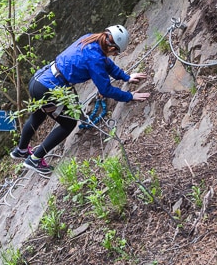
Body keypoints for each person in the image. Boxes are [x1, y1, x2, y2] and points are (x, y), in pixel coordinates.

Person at [10, 24, 150, 175]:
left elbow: (106, 64)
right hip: (48, 88)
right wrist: (130, 96)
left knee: (39, 114)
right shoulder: (95, 58)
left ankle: (21, 150)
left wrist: (126, 77)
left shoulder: (91, 39)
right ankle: (35, 159)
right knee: (68, 123)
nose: (113, 56)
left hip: (39, 81)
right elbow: (105, 89)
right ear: (112, 48)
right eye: (116, 53)